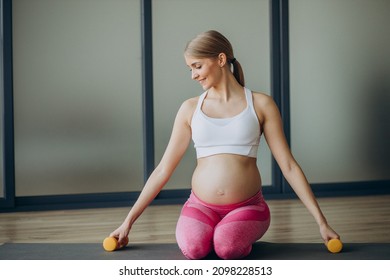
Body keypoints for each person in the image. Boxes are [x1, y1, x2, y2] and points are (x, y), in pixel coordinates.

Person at [110, 30, 340, 259]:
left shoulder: (261, 104)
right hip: (201, 206)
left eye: (197, 66)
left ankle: (231, 233)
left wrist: (322, 222)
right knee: (194, 249)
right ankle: (214, 230)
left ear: (220, 59)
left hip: (248, 207)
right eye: (190, 68)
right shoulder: (189, 108)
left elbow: (288, 165)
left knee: (227, 248)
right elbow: (163, 169)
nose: (193, 75)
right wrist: (127, 223)